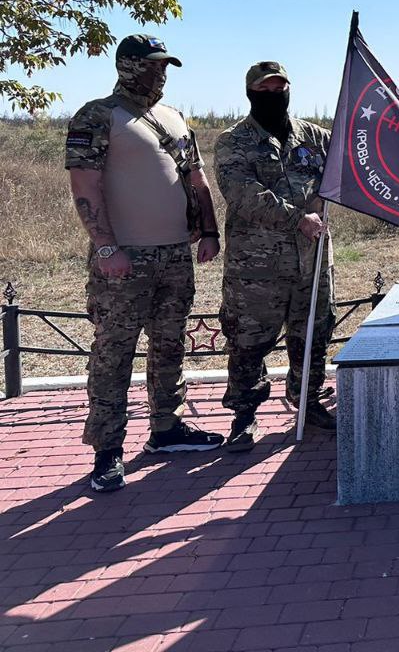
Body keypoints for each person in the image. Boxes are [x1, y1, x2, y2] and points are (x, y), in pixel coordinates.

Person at [66, 35, 225, 494]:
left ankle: (166, 429)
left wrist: (210, 232)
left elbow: (197, 179)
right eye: (154, 66)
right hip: (125, 257)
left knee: (169, 346)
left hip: (175, 254)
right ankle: (107, 450)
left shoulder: (173, 118)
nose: (162, 74)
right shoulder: (98, 115)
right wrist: (105, 247)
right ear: (127, 67)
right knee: (114, 353)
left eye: (165, 66)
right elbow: (85, 187)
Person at [216, 61, 336, 449]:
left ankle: (308, 400)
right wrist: (298, 218)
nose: (273, 95)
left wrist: (324, 199)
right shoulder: (232, 141)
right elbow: (242, 194)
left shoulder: (314, 137)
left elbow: (340, 175)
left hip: (312, 261)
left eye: (279, 88)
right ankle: (244, 414)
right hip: (258, 267)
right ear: (250, 92)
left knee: (313, 335)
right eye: (264, 90)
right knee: (249, 341)